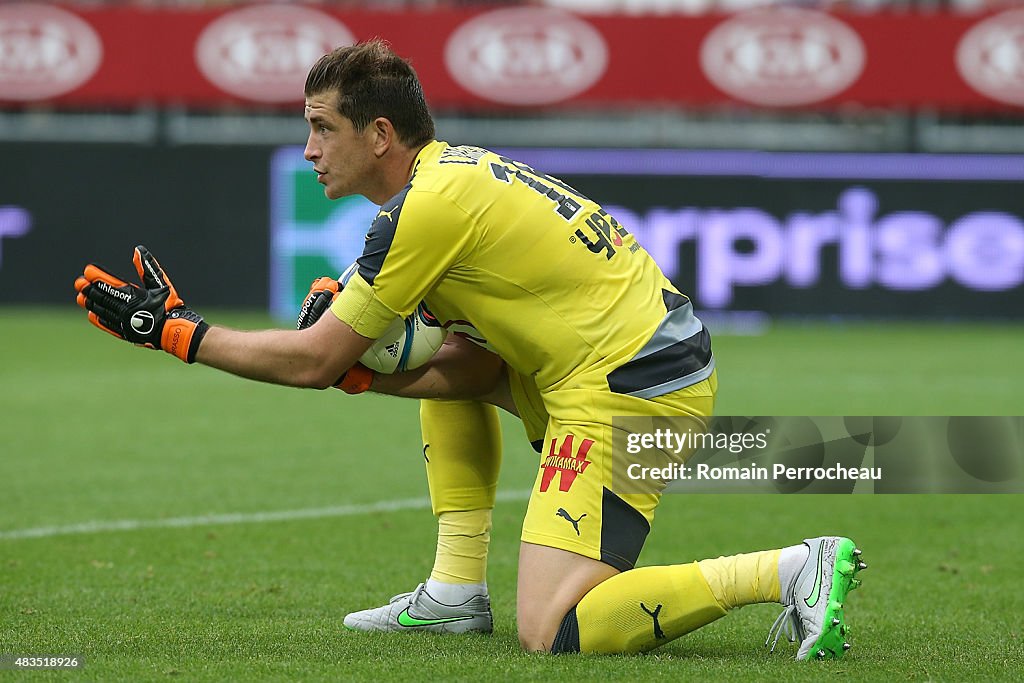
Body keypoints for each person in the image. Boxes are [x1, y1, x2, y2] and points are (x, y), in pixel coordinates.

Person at [74, 39, 865, 658]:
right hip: (620, 363)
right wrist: (364, 376)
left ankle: (791, 568)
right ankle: (455, 589)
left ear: (379, 133)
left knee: (553, 626)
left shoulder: (424, 211)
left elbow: (315, 359)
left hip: (627, 383)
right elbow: (474, 368)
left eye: (322, 126)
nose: (310, 148)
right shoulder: (447, 183)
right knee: (427, 359)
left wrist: (175, 331)